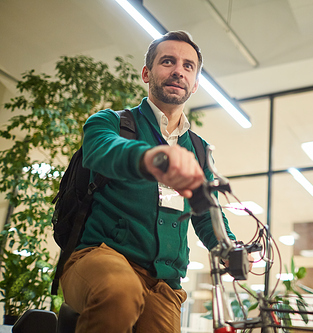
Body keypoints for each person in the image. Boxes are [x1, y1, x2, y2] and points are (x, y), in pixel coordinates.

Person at [60, 31, 236, 333]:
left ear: (194, 85)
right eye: (167, 62)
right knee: (120, 290)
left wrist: (229, 247)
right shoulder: (111, 122)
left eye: (188, 66)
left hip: (164, 281)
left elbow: (207, 213)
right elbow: (103, 152)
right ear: (147, 73)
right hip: (98, 257)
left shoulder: (199, 150)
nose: (178, 70)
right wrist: (155, 159)